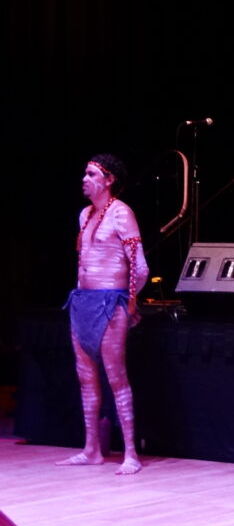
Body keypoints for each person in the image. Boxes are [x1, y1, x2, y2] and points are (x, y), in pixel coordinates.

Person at [57, 153, 149, 475]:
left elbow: (139, 267)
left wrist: (129, 302)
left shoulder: (122, 213)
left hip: (111, 303)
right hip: (82, 301)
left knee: (116, 377)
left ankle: (131, 454)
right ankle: (92, 449)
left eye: (91, 174)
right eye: (85, 173)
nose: (84, 179)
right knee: (86, 379)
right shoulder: (84, 215)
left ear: (108, 180)